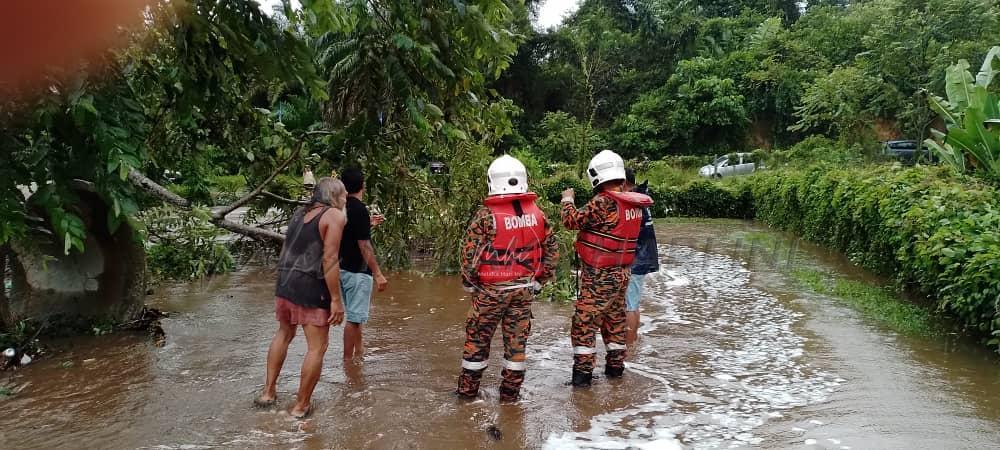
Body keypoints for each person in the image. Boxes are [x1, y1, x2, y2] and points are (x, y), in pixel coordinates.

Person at [456, 155, 559, 402]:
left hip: (491, 291)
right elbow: (552, 253)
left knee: (477, 341)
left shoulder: (485, 215)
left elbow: (469, 257)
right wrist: (539, 281)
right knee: (516, 344)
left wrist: (471, 285)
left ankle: (467, 395)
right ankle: (510, 397)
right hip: (524, 290)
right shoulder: (538, 214)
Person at [256, 177, 348, 419]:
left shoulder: (299, 213)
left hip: (286, 282)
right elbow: (329, 259)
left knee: (284, 333)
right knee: (317, 347)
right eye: (344, 196)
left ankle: (268, 392)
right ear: (334, 196)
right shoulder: (334, 216)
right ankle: (301, 405)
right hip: (311, 286)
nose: (346, 200)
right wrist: (336, 300)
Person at [561, 150, 653, 387]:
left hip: (599, 277)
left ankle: (582, 380)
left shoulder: (603, 202)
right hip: (622, 273)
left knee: (584, 324)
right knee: (614, 322)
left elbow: (571, 221)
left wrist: (567, 199)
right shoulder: (633, 204)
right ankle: (615, 372)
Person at [338, 168, 388, 362]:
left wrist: (369, 224)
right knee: (354, 318)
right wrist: (378, 273)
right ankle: (347, 361)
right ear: (362, 186)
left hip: (342, 269)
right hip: (357, 272)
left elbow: (349, 233)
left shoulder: (342, 207)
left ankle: (359, 354)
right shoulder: (358, 209)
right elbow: (364, 245)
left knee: (356, 316)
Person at [623, 168, 659, 354]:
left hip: (636, 257)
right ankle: (633, 342)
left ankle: (628, 349)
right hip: (644, 255)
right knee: (633, 303)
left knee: (630, 304)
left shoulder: (631, 200)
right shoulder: (640, 197)